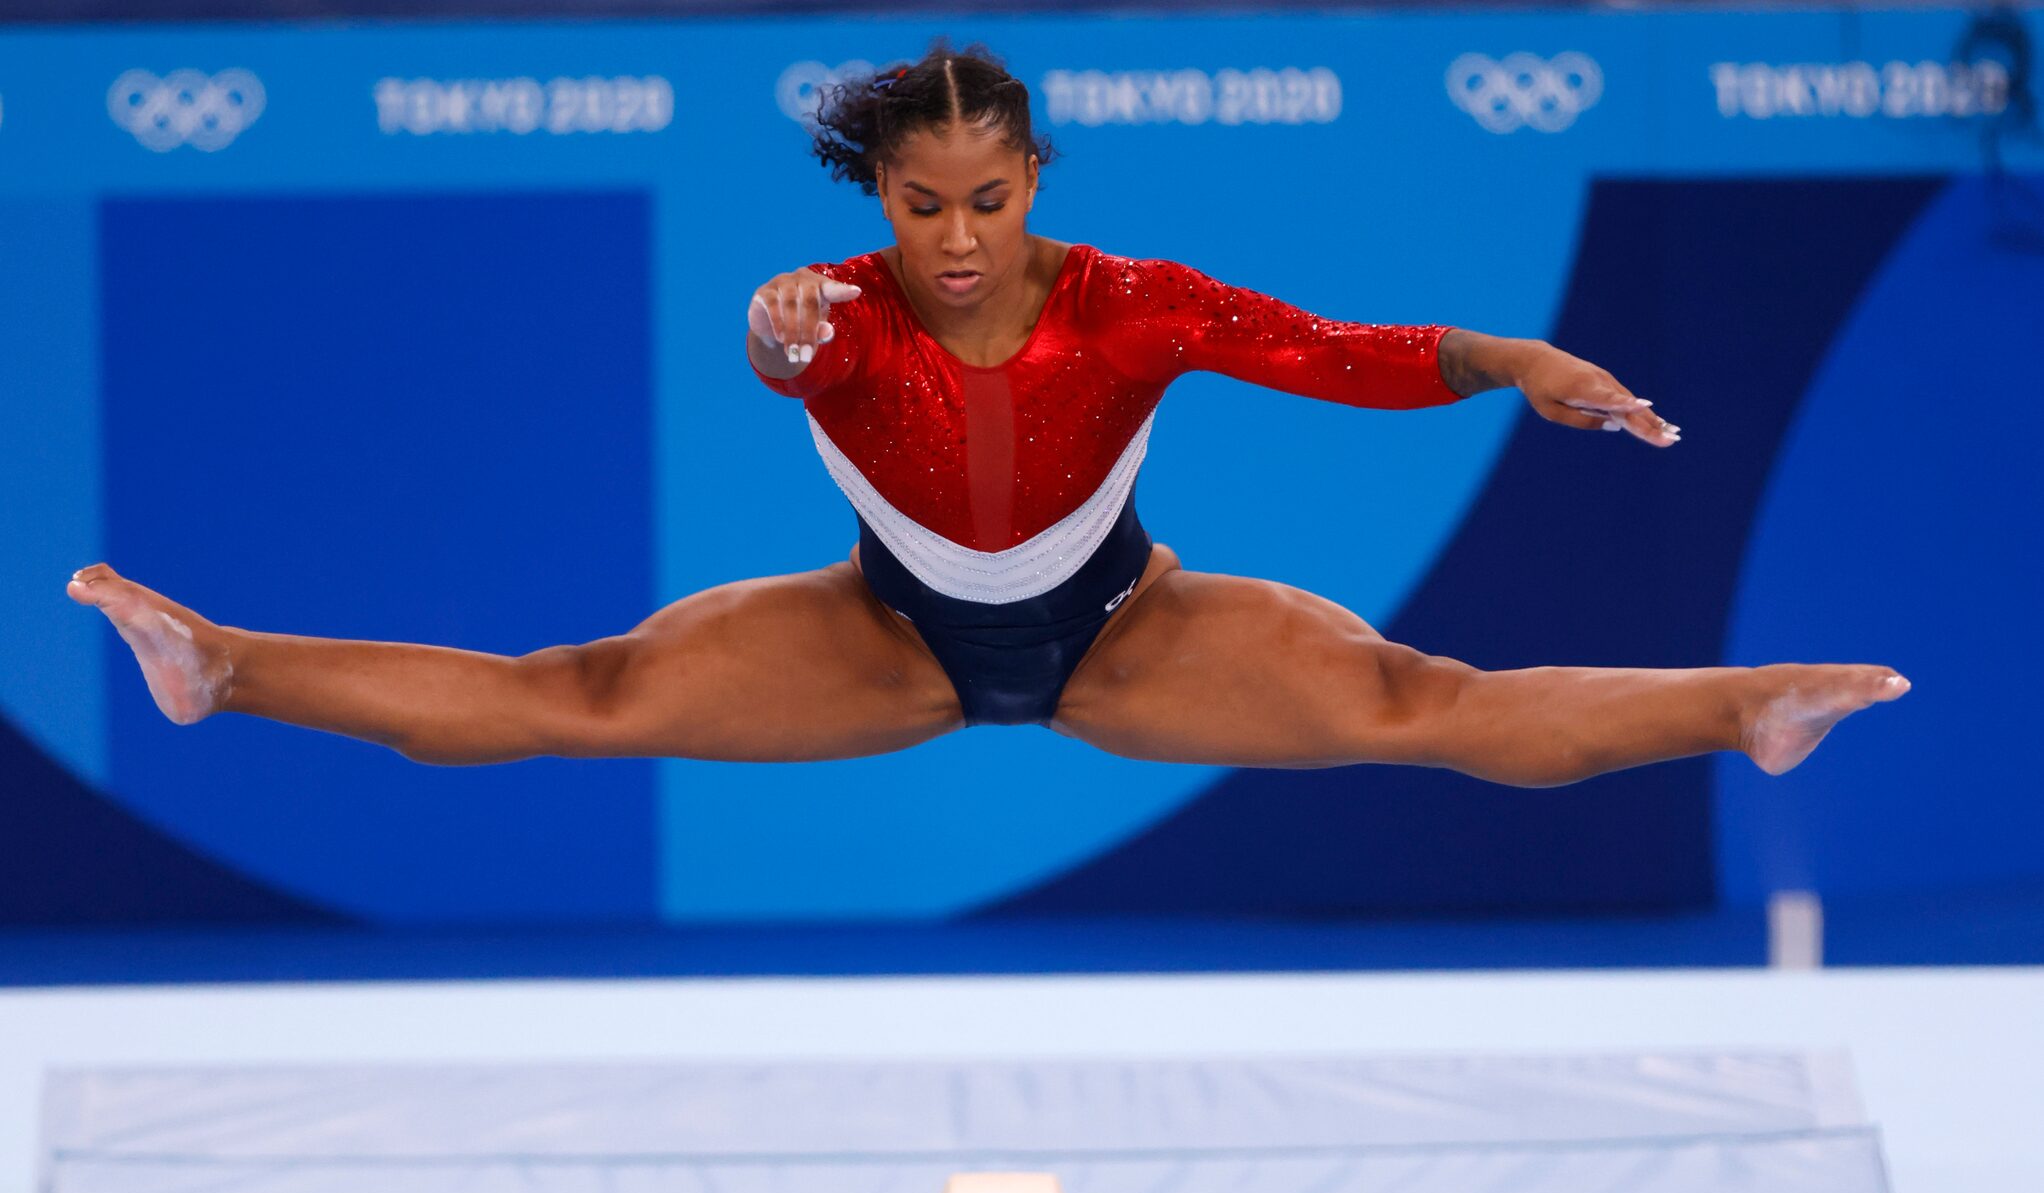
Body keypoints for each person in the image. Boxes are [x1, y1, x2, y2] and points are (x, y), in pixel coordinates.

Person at [68, 40, 1904, 785]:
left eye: (986, 199)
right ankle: (229, 664)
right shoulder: (844, 313)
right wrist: (775, 332)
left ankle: (1748, 707)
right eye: (917, 205)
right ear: (882, 196)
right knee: (583, 695)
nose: (954, 238)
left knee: (1422, 706)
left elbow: (1347, 351)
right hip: (887, 639)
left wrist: (1512, 360)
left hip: (1130, 631)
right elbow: (782, 352)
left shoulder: (1131, 309)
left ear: (1033, 174)